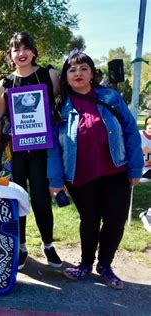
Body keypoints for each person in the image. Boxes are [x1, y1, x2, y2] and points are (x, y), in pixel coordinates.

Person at [48, 50, 143, 289]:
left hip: (116, 171)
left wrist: (135, 168)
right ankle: (85, 264)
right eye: (72, 70)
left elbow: (131, 131)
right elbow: (54, 149)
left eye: (83, 68)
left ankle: (105, 265)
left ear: (92, 73)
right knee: (89, 221)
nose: (77, 73)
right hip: (80, 177)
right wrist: (56, 180)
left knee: (115, 221)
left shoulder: (110, 97)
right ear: (66, 77)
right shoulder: (60, 107)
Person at [0, 32, 62, 270]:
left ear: (33, 51)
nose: (21, 53)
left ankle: (48, 244)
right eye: (15, 49)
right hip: (16, 153)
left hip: (43, 150)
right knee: (17, 199)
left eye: (25, 48)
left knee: (42, 200)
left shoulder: (48, 75)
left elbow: (59, 107)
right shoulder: (5, 83)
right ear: (10, 54)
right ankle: (21, 246)